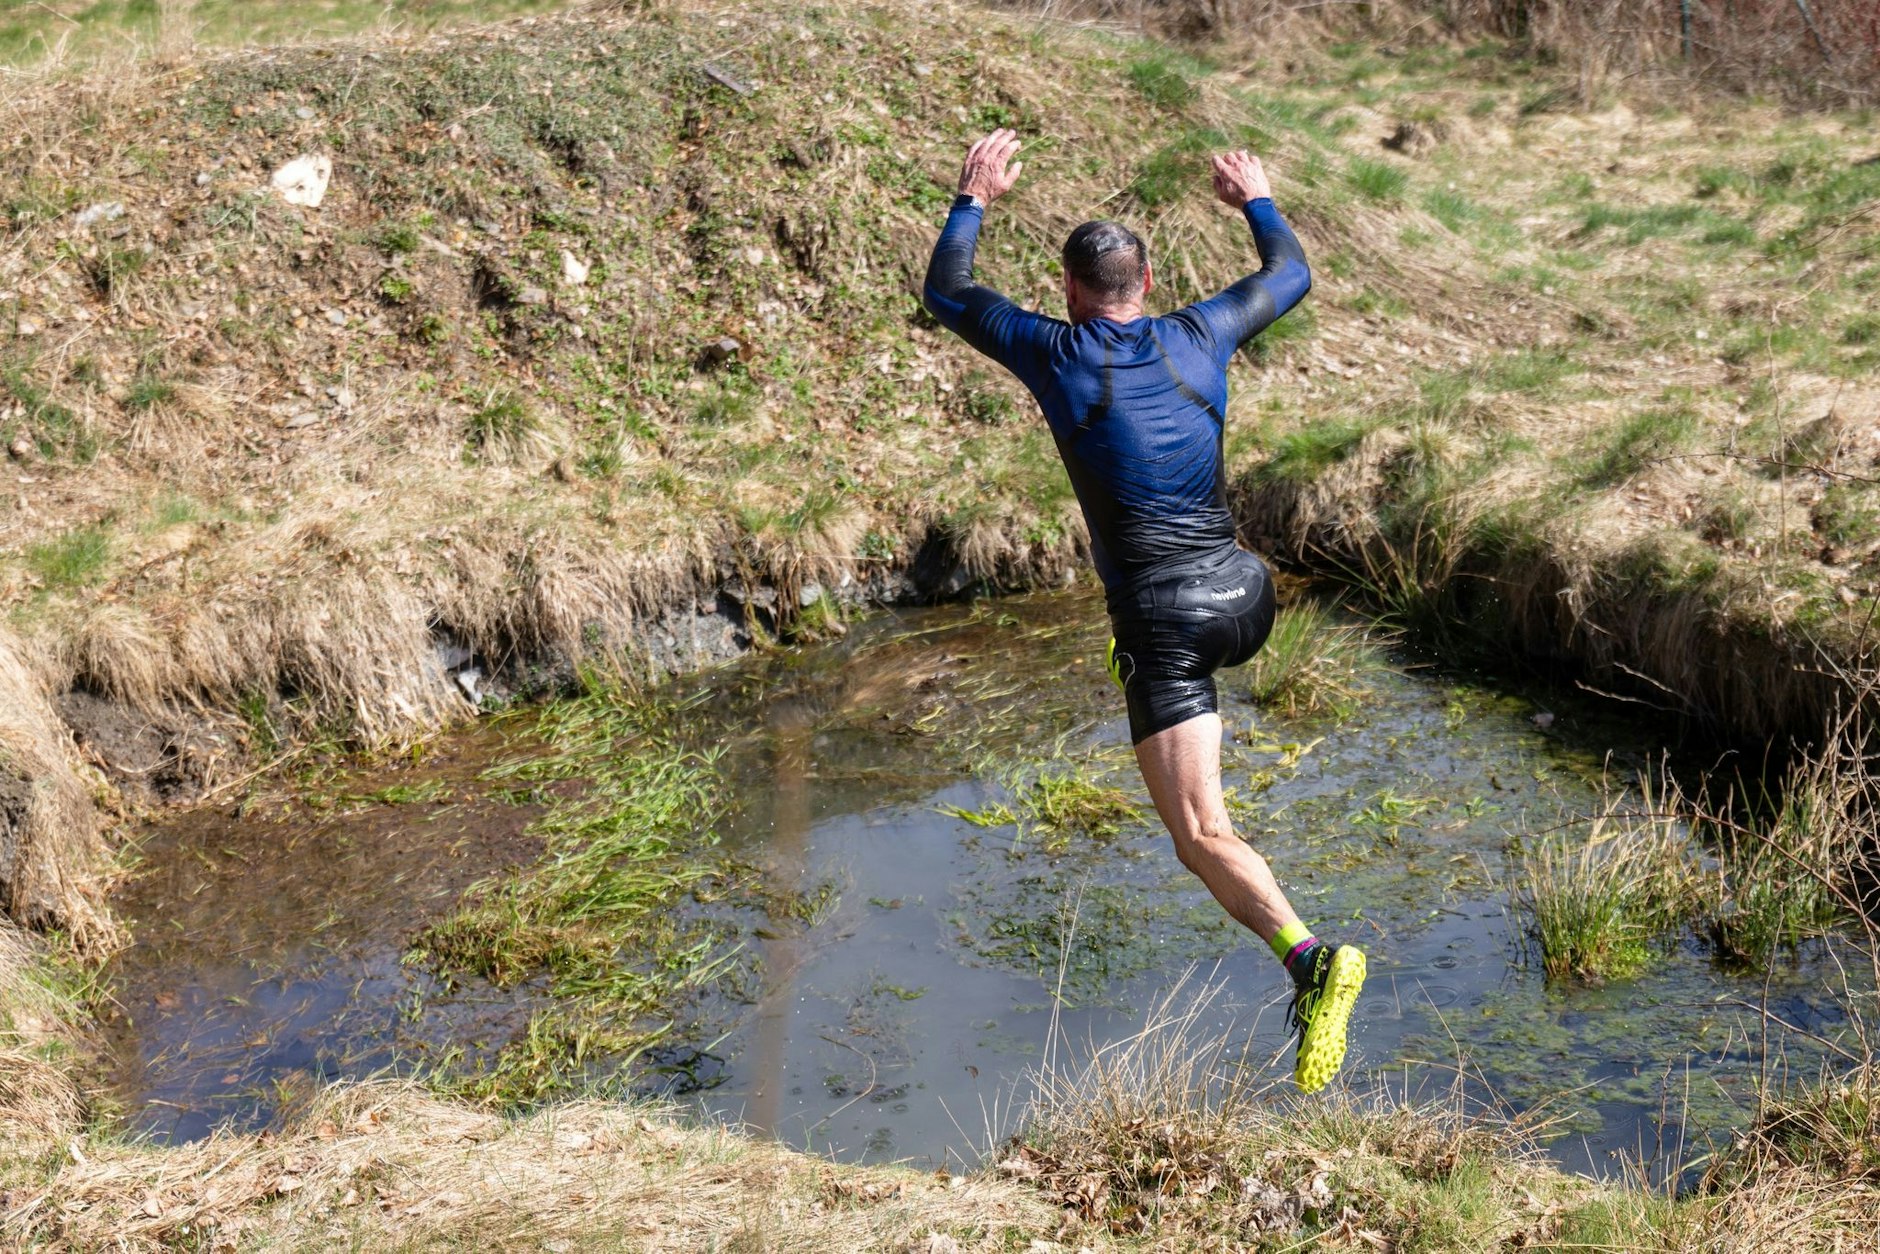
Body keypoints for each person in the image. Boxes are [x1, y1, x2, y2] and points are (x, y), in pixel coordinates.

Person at [922, 129, 1365, 1093]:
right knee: (1196, 737)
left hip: (1163, 623)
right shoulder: (1204, 331)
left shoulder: (1056, 352)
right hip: (1248, 599)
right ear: (1149, 277)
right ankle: (1307, 960)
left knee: (1202, 835)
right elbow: (1289, 271)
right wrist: (1254, 196)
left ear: (1070, 290)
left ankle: (1313, 961)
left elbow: (948, 292)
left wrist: (974, 198)